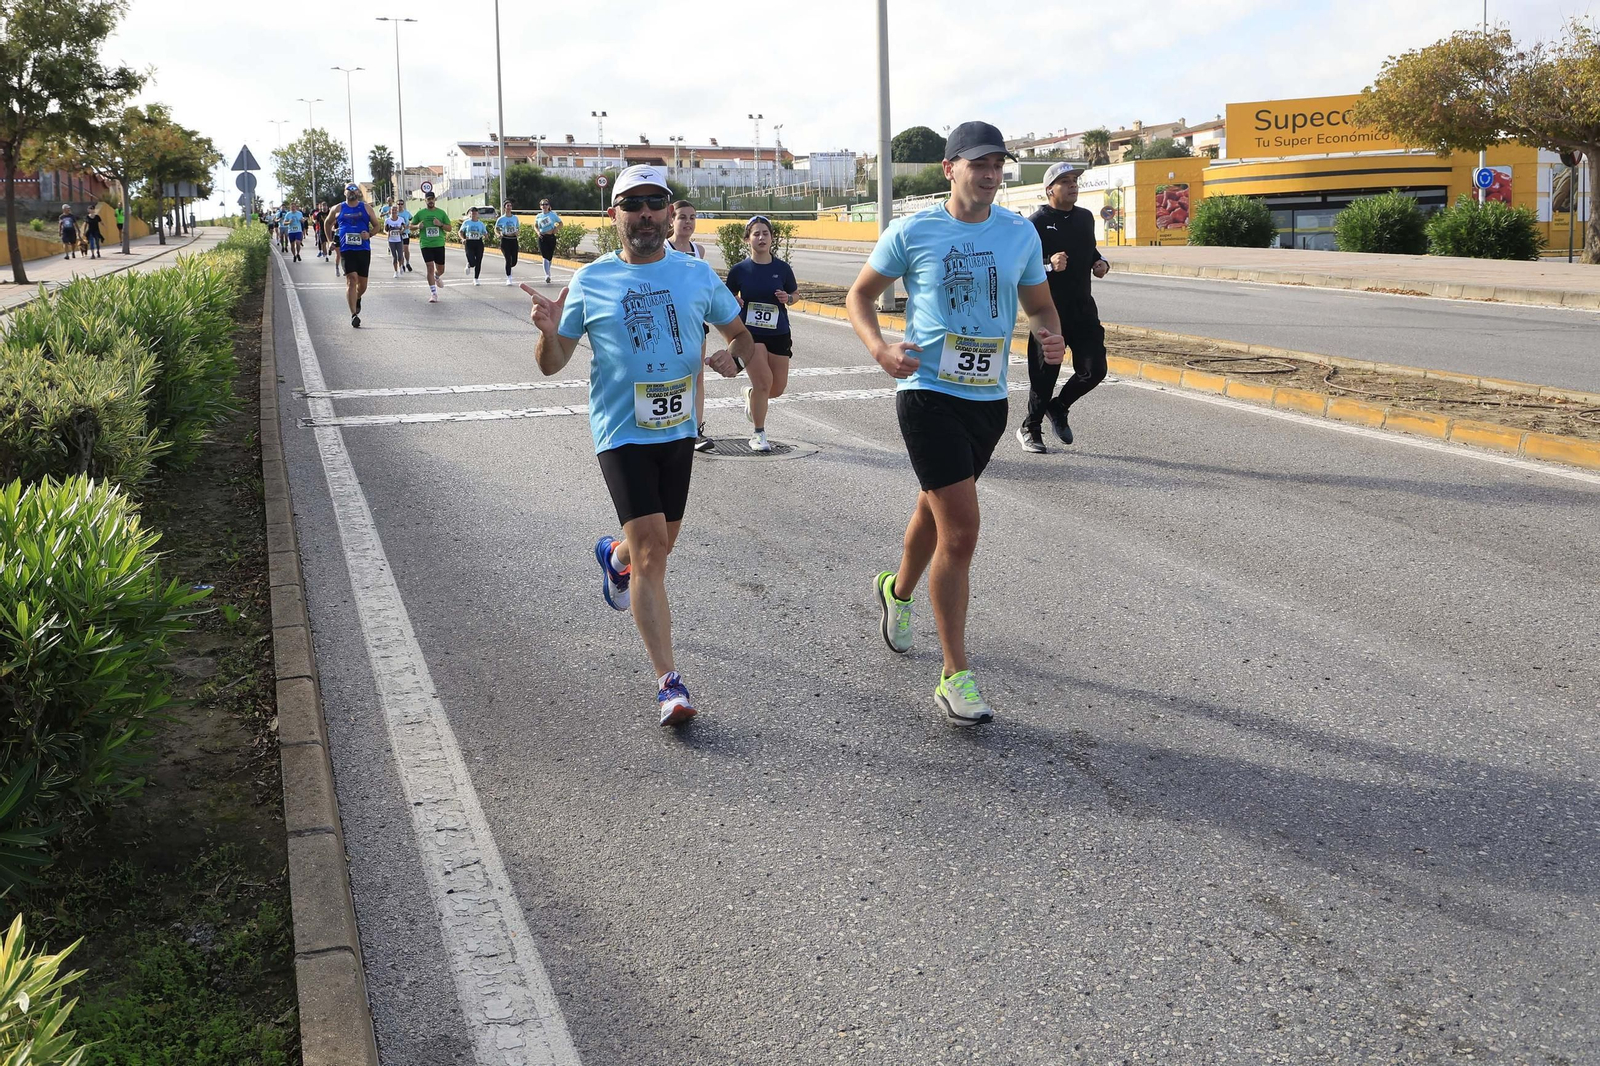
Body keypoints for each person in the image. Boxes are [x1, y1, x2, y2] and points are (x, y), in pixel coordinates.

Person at [846, 121, 1065, 727]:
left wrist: (1052, 333)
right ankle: (955, 676)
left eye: (999, 164)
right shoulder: (914, 230)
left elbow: (1040, 303)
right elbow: (859, 297)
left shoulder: (1019, 233)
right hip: (927, 393)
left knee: (934, 505)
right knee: (962, 530)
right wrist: (881, 349)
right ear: (951, 169)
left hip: (986, 399)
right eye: (979, 164)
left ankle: (897, 591)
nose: (992, 174)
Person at [523, 165, 754, 726]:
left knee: (656, 546)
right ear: (615, 215)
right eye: (634, 204)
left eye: (657, 203)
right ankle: (668, 683)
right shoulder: (591, 280)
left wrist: (737, 357)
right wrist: (549, 333)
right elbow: (553, 366)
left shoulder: (695, 275)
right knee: (654, 549)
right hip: (621, 431)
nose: (646, 214)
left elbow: (741, 332)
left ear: (669, 212)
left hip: (676, 431)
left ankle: (614, 557)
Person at [1017, 161, 1111, 452]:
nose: (1073, 185)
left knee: (1095, 370)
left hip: (1083, 309)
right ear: (1049, 189)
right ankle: (1030, 427)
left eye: (1074, 180)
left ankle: (1059, 407)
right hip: (1047, 311)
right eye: (1065, 181)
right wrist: (1048, 265)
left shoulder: (1085, 218)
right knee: (1045, 375)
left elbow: (1089, 248)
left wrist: (1100, 262)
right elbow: (1020, 268)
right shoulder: (1035, 223)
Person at [724, 215, 797, 453]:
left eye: (765, 233)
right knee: (764, 383)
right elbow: (725, 298)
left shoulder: (782, 268)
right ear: (748, 239)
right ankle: (758, 433)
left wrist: (789, 299)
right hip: (751, 334)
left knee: (776, 389)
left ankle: (751, 395)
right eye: (756, 233)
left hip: (779, 332)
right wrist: (734, 299)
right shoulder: (740, 270)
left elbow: (795, 295)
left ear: (772, 238)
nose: (761, 237)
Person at [666, 201, 717, 453]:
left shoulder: (700, 250)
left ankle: (694, 430)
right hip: (669, 323)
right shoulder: (663, 248)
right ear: (671, 220)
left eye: (692, 217)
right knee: (672, 376)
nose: (687, 222)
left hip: (696, 323)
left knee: (697, 376)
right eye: (682, 217)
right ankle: (670, 426)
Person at [331, 183, 383, 328]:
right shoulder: (337, 208)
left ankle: (357, 297)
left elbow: (377, 226)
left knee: (363, 285)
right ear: (344, 192)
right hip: (346, 250)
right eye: (349, 189)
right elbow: (327, 223)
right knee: (351, 279)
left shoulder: (366, 208)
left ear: (358, 193)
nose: (352, 192)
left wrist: (370, 234)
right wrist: (330, 240)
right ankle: (354, 315)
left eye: (355, 189)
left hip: (363, 249)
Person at [410, 190, 452, 302]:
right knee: (429, 267)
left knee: (441, 269)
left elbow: (449, 228)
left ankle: (437, 276)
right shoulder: (420, 213)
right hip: (426, 244)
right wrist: (418, 226)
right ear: (425, 201)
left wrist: (440, 224)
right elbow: (410, 226)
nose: (430, 201)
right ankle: (433, 293)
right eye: (428, 199)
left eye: (432, 199)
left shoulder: (441, 213)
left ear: (435, 200)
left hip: (438, 244)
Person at [533, 198, 560, 284]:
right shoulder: (538, 216)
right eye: (542, 204)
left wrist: (556, 229)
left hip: (551, 237)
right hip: (542, 237)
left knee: (549, 256)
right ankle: (547, 275)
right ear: (540, 206)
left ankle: (548, 272)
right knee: (544, 256)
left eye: (546, 204)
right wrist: (538, 232)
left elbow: (561, 223)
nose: (544, 206)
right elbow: (535, 226)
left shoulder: (553, 215)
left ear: (549, 206)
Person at [460, 208, 488, 285]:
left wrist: (486, 235)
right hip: (469, 243)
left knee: (479, 261)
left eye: (475, 213)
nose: (474, 214)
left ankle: (476, 279)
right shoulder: (466, 222)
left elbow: (485, 233)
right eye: (472, 213)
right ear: (470, 214)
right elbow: (461, 232)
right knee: (472, 262)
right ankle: (469, 264)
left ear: (477, 214)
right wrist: (463, 239)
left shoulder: (481, 224)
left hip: (478, 242)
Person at [495, 200, 520, 286]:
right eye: (507, 206)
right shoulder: (501, 219)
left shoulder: (515, 218)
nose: (509, 207)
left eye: (510, 206)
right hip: (505, 240)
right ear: (504, 208)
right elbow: (496, 229)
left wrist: (517, 232)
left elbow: (518, 228)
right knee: (508, 259)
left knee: (514, 261)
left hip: (513, 239)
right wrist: (498, 234)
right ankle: (509, 277)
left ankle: (509, 267)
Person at [384, 203, 408, 277]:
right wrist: (388, 233)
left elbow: (405, 227)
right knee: (394, 257)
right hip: (391, 241)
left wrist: (402, 231)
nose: (394, 211)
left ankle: (400, 266)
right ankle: (395, 271)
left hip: (399, 240)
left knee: (400, 256)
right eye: (392, 210)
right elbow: (384, 230)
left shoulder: (401, 219)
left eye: (395, 210)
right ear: (390, 211)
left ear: (397, 211)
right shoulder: (387, 220)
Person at [397, 199, 414, 272]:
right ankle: (402, 264)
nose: (400, 205)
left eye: (401, 204)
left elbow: (411, 220)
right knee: (401, 250)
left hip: (405, 233)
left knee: (406, 249)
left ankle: (407, 263)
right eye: (398, 204)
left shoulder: (407, 213)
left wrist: (406, 227)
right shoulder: (395, 213)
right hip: (397, 234)